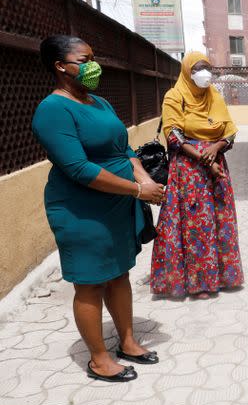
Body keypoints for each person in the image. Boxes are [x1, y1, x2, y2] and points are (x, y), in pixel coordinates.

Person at [32, 35, 164, 383]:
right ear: (60, 66)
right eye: (84, 59)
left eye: (94, 57)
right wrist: (138, 189)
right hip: (81, 210)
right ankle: (99, 359)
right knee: (90, 282)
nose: (93, 65)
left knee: (119, 273)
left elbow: (123, 150)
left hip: (118, 203)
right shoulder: (52, 110)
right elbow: (78, 169)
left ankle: (128, 341)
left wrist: (144, 182)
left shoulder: (100, 103)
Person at [150, 52, 244, 299]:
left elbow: (230, 131)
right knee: (196, 224)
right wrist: (204, 157)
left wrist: (215, 148)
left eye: (207, 68)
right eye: (198, 69)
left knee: (220, 219)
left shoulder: (214, 95)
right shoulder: (175, 96)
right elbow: (174, 135)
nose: (205, 74)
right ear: (186, 72)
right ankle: (199, 282)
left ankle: (223, 275)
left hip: (216, 163)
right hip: (189, 170)